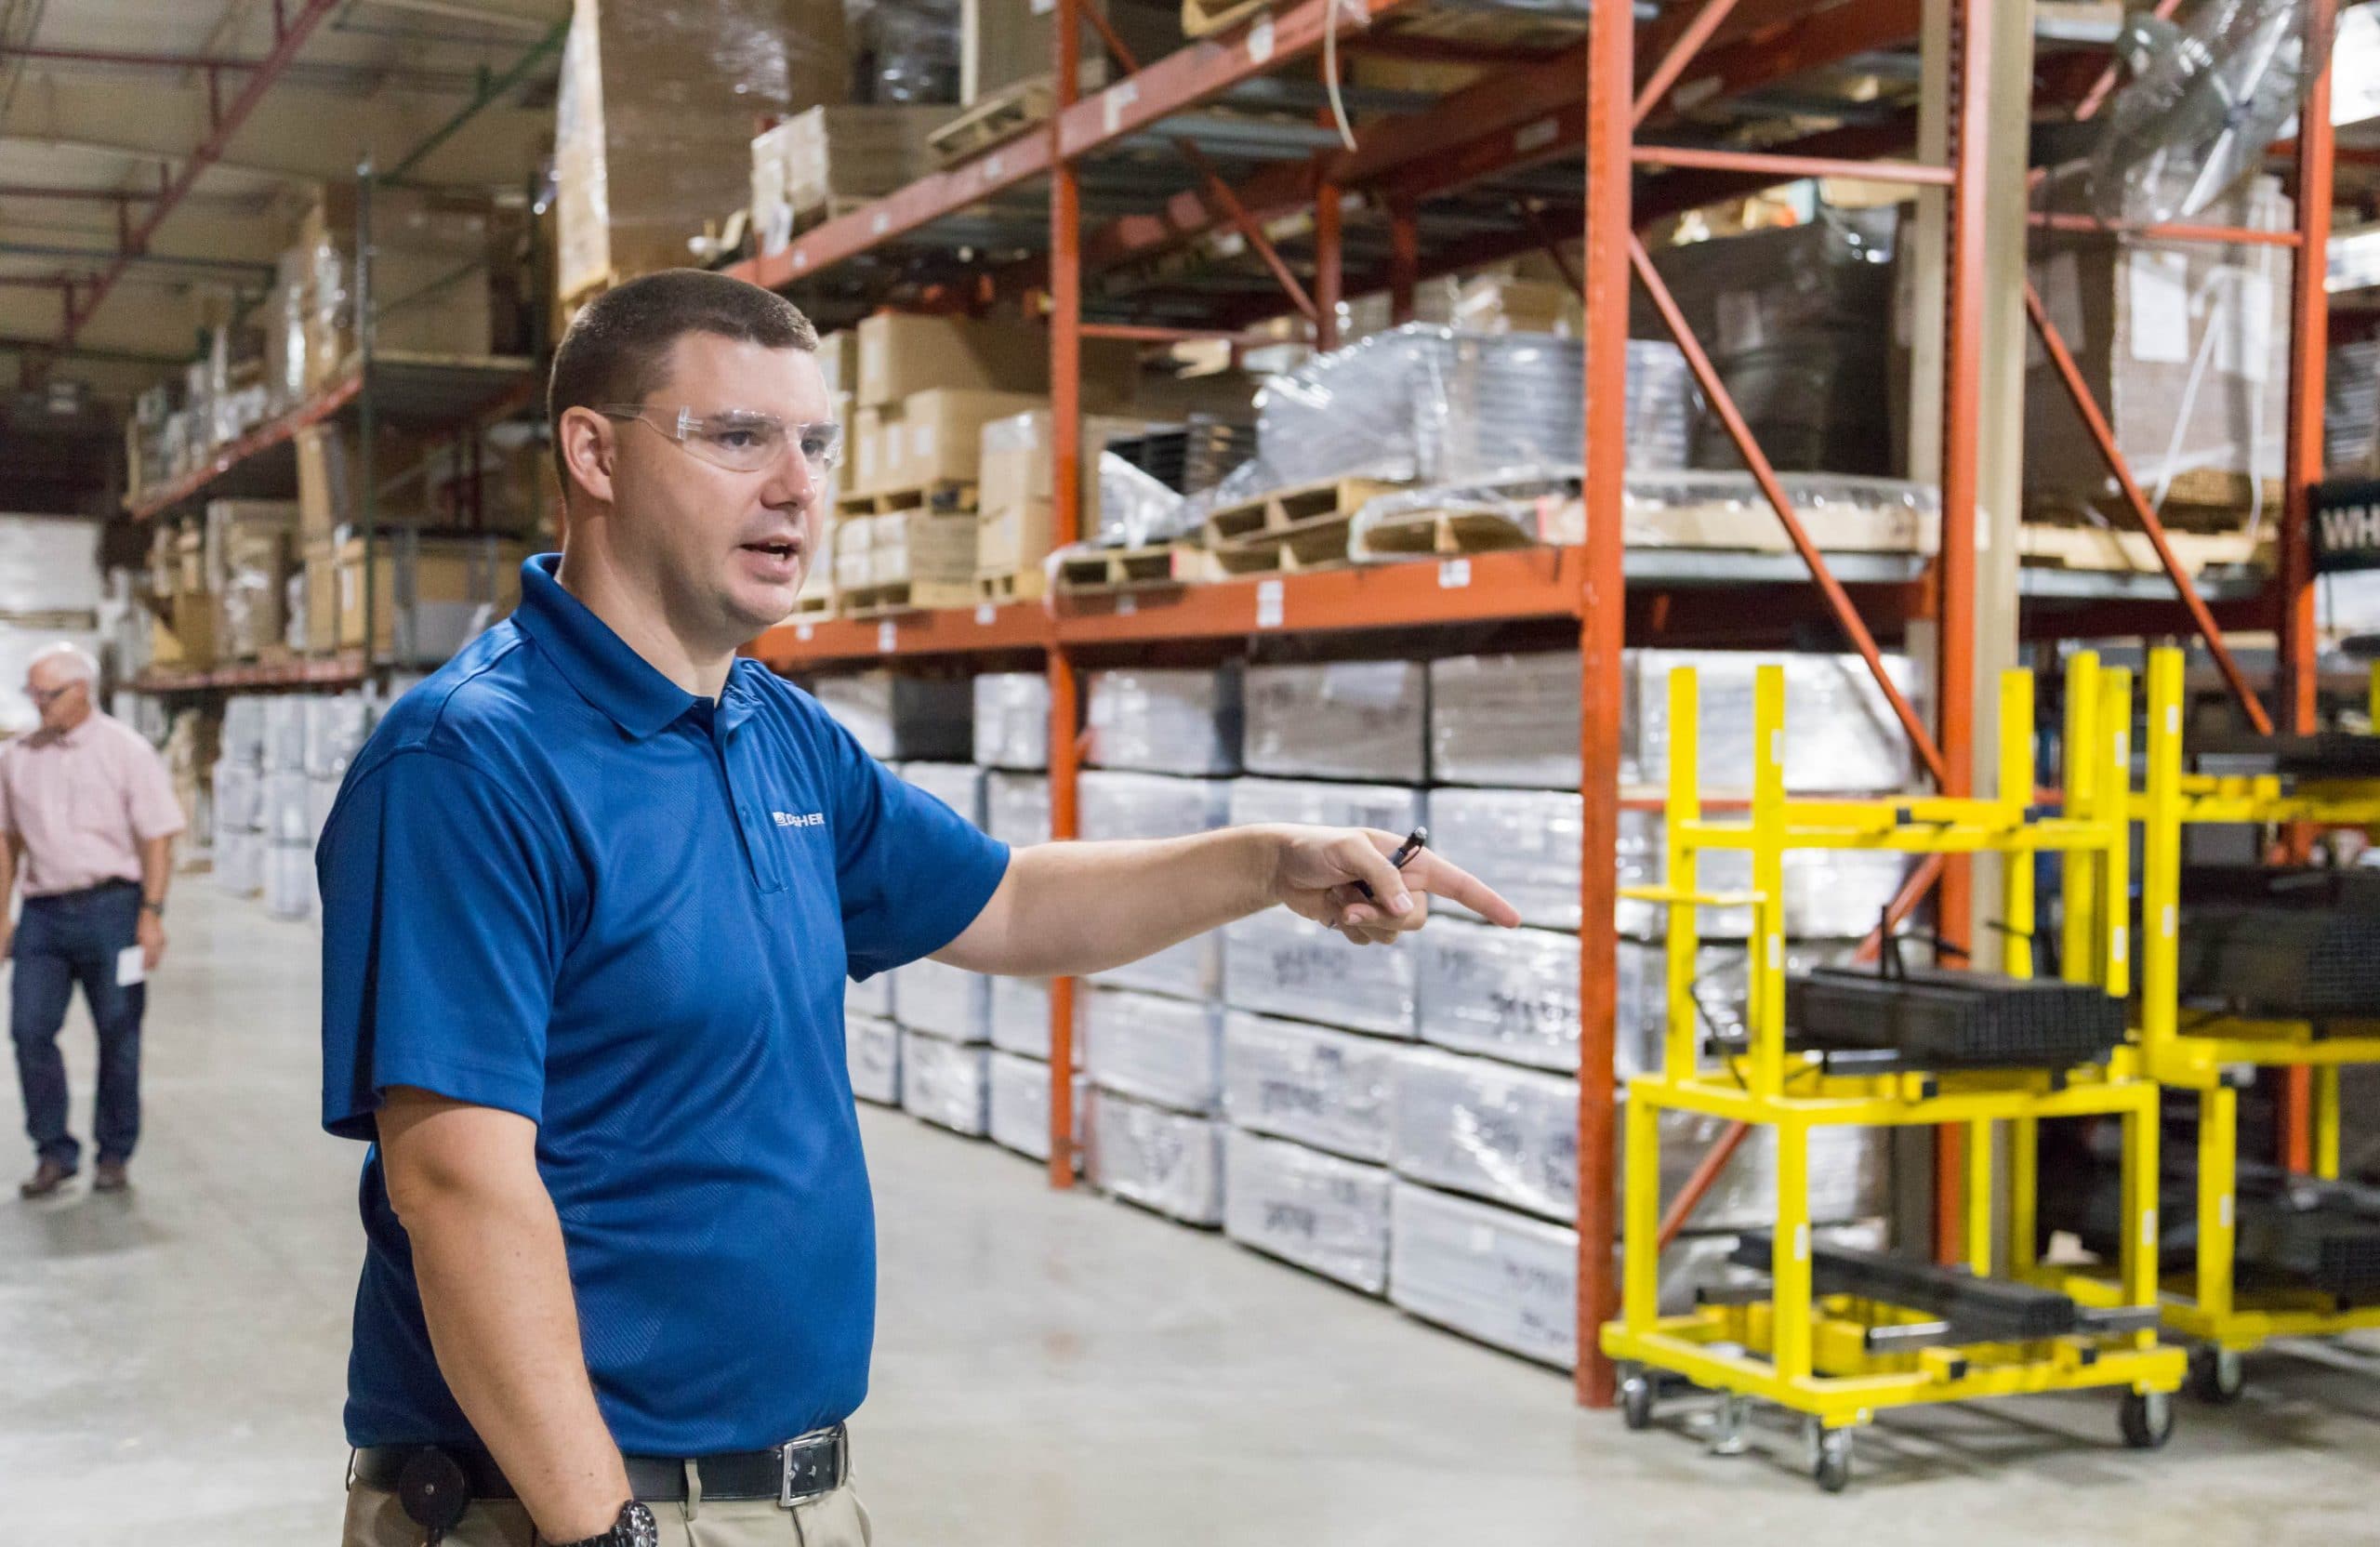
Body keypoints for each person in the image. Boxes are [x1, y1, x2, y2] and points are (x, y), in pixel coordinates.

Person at [319, 269, 1521, 1547]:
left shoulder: (773, 732)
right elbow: (455, 1185)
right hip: (559, 1510)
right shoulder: (471, 763)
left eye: (814, 445)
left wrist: (1266, 861)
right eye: (736, 438)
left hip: (779, 1494)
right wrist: (600, 1532)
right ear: (594, 453)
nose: (795, 486)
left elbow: (1005, 903)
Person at [1, 642, 181, 1200]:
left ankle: (114, 1153)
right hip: (44, 915)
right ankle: (53, 1150)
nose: (38, 705)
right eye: (32, 694)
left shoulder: (126, 752)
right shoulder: (16, 757)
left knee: (119, 1034)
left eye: (48, 694)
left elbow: (157, 837)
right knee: (29, 1030)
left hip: (114, 911)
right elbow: (6, 841)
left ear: (82, 691)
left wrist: (151, 915)